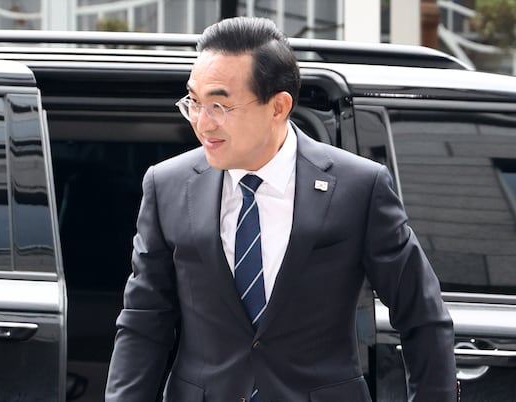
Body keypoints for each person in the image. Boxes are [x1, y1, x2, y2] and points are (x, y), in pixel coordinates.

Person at [105, 16, 457, 402]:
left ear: (278, 106)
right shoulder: (167, 185)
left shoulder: (358, 187)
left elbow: (422, 315)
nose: (203, 123)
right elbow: (144, 321)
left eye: (219, 105)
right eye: (194, 102)